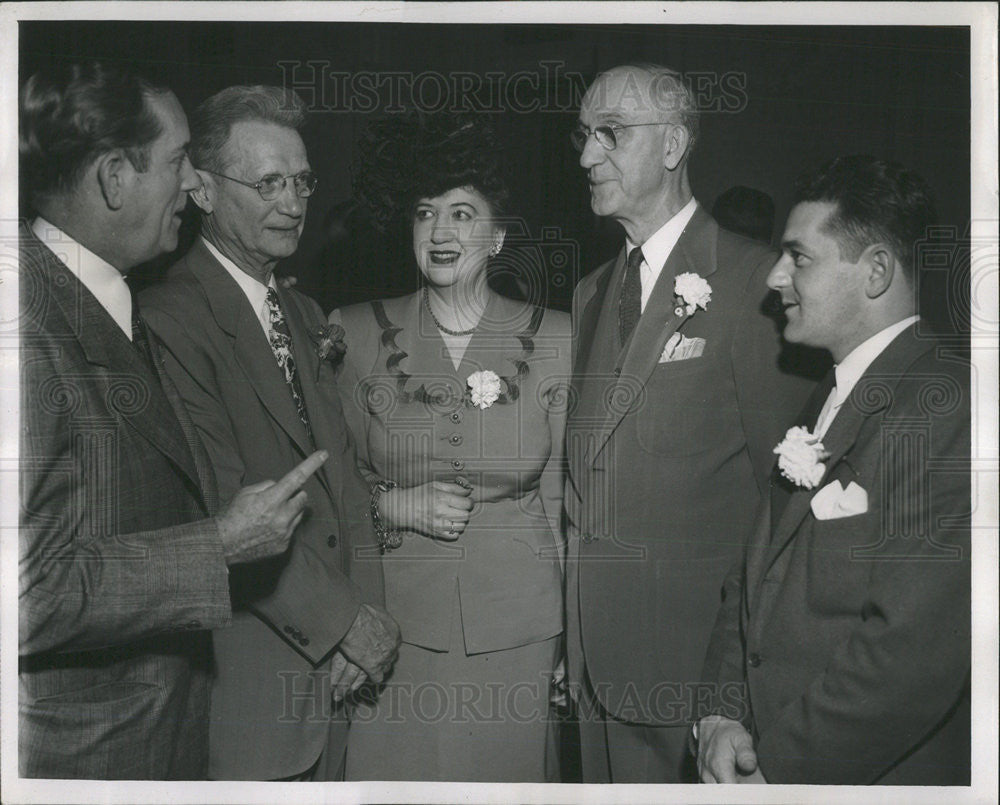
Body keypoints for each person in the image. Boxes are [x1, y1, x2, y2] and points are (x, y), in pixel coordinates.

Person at [18, 61, 327, 780]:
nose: (194, 184)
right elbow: (24, 591)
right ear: (115, 178)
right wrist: (218, 543)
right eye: (180, 159)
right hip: (87, 760)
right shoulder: (26, 329)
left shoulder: (98, 299)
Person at [563, 63, 819, 783]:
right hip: (591, 675)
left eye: (610, 134)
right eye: (583, 136)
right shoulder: (589, 293)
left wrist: (728, 694)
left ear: (674, 145)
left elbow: (793, 507)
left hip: (695, 689)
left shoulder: (760, 284)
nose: (586, 155)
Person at [139, 85, 398, 781]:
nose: (293, 202)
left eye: (302, 180)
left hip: (339, 680)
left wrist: (365, 620)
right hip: (253, 690)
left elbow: (346, 482)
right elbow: (225, 507)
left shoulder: (305, 311)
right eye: (268, 182)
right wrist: (347, 622)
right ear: (201, 190)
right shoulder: (168, 318)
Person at [696, 155, 970, 785]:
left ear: (875, 271)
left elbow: (912, 656)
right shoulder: (826, 394)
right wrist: (720, 716)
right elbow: (751, 580)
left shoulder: (946, 404)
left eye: (800, 257)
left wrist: (778, 772)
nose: (774, 275)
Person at [329, 113, 568, 782]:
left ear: (495, 237)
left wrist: (573, 642)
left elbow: (565, 502)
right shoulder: (350, 335)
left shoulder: (558, 338)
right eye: (425, 214)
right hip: (391, 625)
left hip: (520, 627)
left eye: (462, 214)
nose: (440, 232)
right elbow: (326, 492)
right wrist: (392, 506)